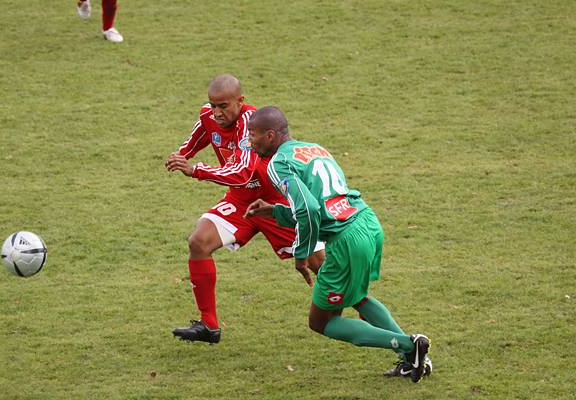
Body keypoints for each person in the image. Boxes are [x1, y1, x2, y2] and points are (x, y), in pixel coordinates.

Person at [244, 106, 432, 383]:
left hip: (346, 240)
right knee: (356, 297)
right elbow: (323, 203)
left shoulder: (277, 164)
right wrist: (274, 211)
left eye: (254, 135)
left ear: (271, 135)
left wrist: (302, 254)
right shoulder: (313, 149)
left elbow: (308, 209)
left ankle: (409, 345)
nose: (250, 141)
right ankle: (415, 360)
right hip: (366, 222)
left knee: (321, 322)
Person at [165, 75, 324, 345]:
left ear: (241, 101)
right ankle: (209, 326)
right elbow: (202, 133)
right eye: (212, 105)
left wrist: (196, 171)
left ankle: (364, 308)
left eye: (224, 106)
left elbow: (242, 173)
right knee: (199, 242)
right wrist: (183, 154)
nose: (217, 113)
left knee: (320, 264)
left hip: (275, 204)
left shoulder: (251, 126)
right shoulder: (209, 115)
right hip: (241, 202)